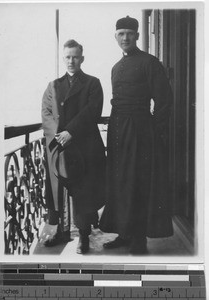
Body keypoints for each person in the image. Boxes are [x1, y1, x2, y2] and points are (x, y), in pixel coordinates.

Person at [99, 16, 173, 254]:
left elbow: (164, 100)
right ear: (115, 37)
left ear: (137, 36)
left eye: (129, 33)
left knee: (139, 184)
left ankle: (139, 239)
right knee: (120, 182)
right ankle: (124, 233)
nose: (125, 38)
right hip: (118, 130)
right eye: (120, 33)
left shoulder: (150, 63)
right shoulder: (116, 68)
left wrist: (153, 130)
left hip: (141, 132)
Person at [41, 39, 106, 254]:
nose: (71, 61)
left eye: (75, 57)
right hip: (59, 146)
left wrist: (72, 132)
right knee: (57, 192)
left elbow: (92, 110)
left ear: (82, 58)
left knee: (84, 193)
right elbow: (46, 113)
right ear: (63, 58)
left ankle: (84, 237)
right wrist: (59, 136)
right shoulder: (53, 85)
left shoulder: (92, 83)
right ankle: (58, 231)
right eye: (67, 57)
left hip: (84, 145)